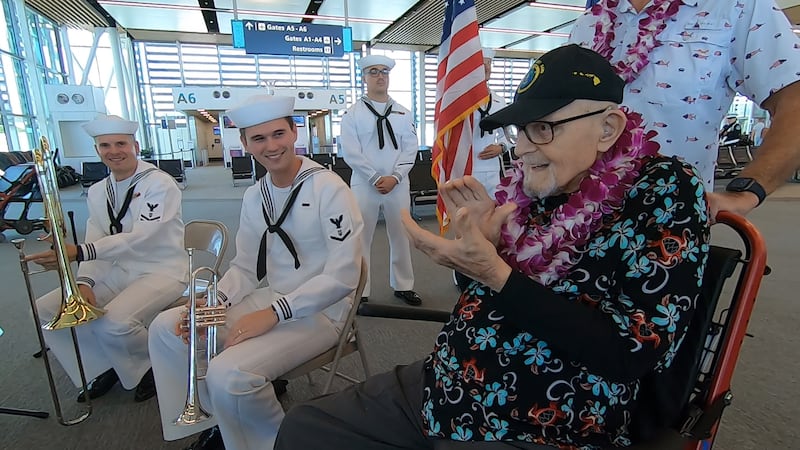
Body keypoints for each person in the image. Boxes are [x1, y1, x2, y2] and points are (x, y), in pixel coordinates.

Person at [276, 45, 710, 449]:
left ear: (608, 128)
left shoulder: (664, 190)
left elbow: (632, 352)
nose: (519, 148)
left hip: (541, 416)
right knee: (303, 428)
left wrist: (495, 274)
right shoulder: (539, 187)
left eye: (542, 129)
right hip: (448, 379)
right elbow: (490, 294)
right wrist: (484, 255)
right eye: (521, 130)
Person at [148, 94, 363, 450]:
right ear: (245, 143)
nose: (272, 146)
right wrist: (213, 299)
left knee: (229, 373)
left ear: (295, 133)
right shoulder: (255, 195)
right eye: (259, 138)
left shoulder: (329, 189)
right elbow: (245, 267)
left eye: (278, 134)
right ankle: (215, 420)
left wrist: (274, 314)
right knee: (167, 328)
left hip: (324, 310)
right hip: (272, 297)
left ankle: (276, 442)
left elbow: (344, 277)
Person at [569, 0, 800, 218]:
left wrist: (746, 191)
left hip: (669, 224)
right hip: (573, 222)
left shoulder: (735, 7)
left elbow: (794, 101)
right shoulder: (590, 22)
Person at [27, 114, 187, 403]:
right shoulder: (99, 190)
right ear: (97, 150)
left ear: (135, 146)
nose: (114, 151)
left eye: (121, 143)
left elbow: (144, 235)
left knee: (113, 323)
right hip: (119, 269)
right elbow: (95, 237)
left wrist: (79, 252)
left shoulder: (160, 184)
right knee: (45, 309)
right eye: (105, 145)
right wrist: (85, 281)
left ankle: (149, 367)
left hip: (163, 271)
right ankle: (103, 365)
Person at [340, 54, 423, 306]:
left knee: (401, 235)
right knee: (361, 237)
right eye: (373, 72)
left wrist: (395, 177)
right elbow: (351, 152)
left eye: (384, 72)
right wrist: (376, 177)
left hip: (397, 184)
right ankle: (361, 289)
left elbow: (411, 149)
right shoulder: (352, 114)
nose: (379, 76)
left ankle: (403, 285)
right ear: (364, 77)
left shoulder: (403, 112)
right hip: (365, 184)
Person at [454, 48, 511, 292]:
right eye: (481, 64)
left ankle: (491, 271)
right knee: (466, 225)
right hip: (468, 171)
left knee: (494, 225)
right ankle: (461, 274)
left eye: (488, 64)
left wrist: (501, 147)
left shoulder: (499, 102)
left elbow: (511, 137)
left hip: (492, 173)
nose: (485, 69)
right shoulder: (459, 102)